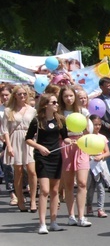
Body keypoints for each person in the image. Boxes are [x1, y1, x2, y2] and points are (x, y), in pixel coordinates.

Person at [26, 93, 69, 234]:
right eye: (54, 102)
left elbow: (65, 138)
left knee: (55, 190)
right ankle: (42, 223)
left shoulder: (60, 120)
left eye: (57, 102)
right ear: (45, 105)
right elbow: (28, 139)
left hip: (56, 156)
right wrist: (39, 147)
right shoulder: (37, 121)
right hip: (42, 156)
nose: (57, 104)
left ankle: (53, 222)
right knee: (44, 190)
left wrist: (72, 141)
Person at [59, 85, 92, 227]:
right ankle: (71, 215)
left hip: (81, 145)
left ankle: (81, 216)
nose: (69, 98)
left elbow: (87, 130)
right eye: (66, 96)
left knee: (82, 182)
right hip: (66, 146)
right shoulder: (59, 113)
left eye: (71, 96)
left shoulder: (83, 112)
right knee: (68, 183)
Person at [1, 85, 38, 212]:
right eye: (19, 94)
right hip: (15, 139)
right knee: (18, 171)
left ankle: (33, 199)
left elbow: (36, 127)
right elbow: (5, 130)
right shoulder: (8, 110)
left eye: (24, 94)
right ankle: (20, 199)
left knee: (32, 171)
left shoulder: (32, 110)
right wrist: (9, 146)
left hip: (29, 139)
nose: (22, 96)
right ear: (15, 95)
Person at [85, 115, 110, 218]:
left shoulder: (102, 137)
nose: (98, 127)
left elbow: (107, 152)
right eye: (95, 125)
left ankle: (100, 208)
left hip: (99, 165)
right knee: (90, 187)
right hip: (89, 164)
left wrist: (101, 156)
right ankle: (89, 206)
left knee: (101, 187)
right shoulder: (87, 137)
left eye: (99, 125)